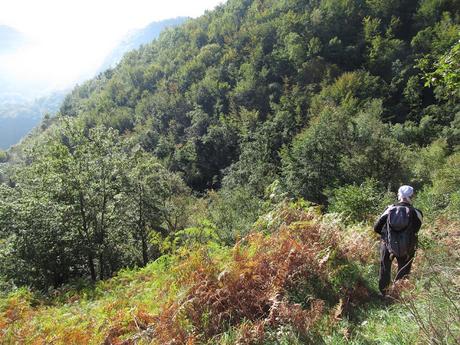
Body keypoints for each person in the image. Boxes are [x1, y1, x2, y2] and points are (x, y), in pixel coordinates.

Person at [373, 185, 423, 296]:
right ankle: (398, 295)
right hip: (408, 246)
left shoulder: (389, 209)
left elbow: (376, 228)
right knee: (403, 270)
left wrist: (388, 235)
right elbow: (416, 229)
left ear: (398, 195)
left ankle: (384, 294)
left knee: (385, 267)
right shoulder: (417, 212)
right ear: (412, 196)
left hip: (387, 245)